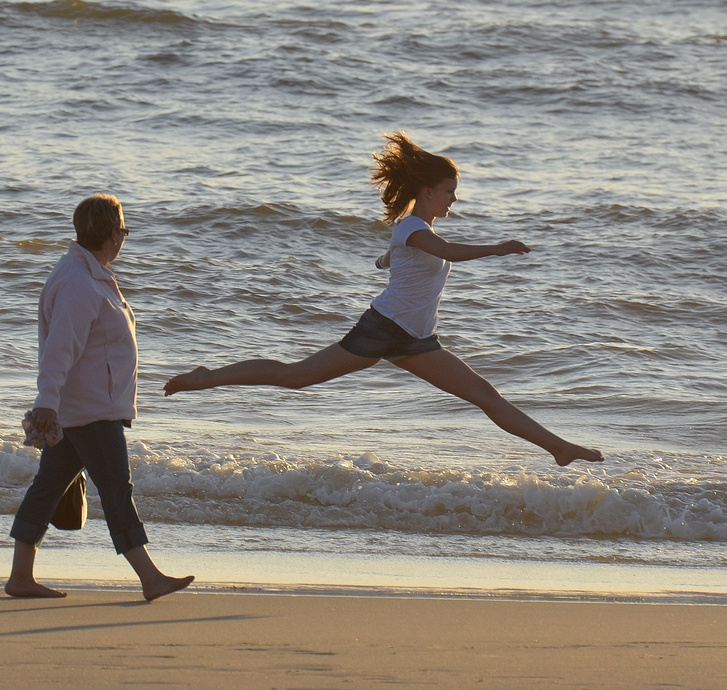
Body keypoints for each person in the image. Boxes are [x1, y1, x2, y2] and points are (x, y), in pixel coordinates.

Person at [164, 132, 603, 466]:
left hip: (413, 338)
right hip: (385, 329)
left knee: (484, 394)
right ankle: (207, 376)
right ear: (428, 191)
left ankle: (558, 449)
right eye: (449, 190)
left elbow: (407, 255)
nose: (454, 198)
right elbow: (445, 253)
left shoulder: (413, 232)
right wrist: (497, 247)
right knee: (293, 377)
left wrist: (386, 259)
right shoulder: (415, 228)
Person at [6, 193, 194, 601]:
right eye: (124, 230)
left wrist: (53, 404)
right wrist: (46, 403)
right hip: (90, 410)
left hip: (83, 407)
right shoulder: (79, 284)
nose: (124, 238)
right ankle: (150, 577)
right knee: (115, 488)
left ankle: (20, 576)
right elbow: (60, 350)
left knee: (47, 489)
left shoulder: (88, 274)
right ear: (112, 234)